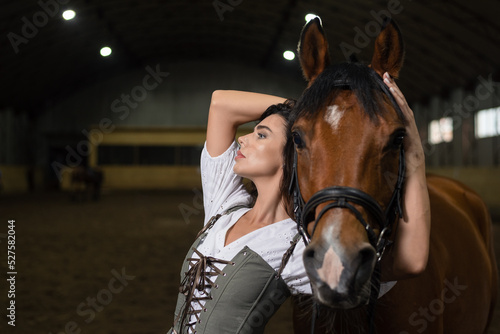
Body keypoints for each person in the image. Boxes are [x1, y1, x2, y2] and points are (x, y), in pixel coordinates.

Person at [167, 74, 430, 333]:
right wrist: (312, 108)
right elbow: (221, 104)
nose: (242, 138)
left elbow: (413, 261)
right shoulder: (224, 204)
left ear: (289, 155)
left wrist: (415, 150)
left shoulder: (293, 247)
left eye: (261, 135)